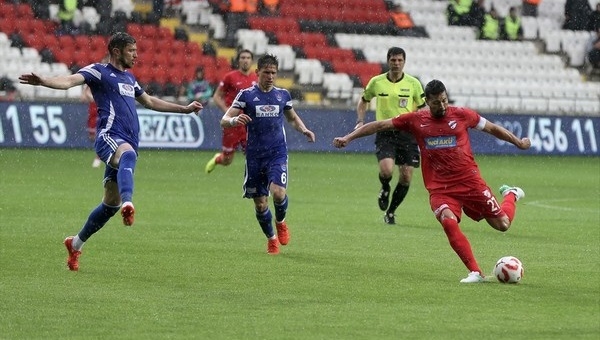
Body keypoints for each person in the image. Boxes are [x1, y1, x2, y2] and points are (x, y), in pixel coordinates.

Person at [18, 32, 203, 271]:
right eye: (131, 51)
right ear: (116, 51)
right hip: (109, 137)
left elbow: (150, 102)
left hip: (127, 140)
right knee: (128, 156)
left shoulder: (130, 78)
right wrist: (44, 81)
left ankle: (75, 244)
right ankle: (129, 203)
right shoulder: (99, 71)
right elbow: (69, 81)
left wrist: (184, 109)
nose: (136, 55)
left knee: (109, 205)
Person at [334, 79, 531, 283]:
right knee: (448, 220)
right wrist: (349, 137)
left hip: (470, 182)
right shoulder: (415, 120)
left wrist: (518, 142)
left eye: (445, 100)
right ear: (427, 101)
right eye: (437, 102)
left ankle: (511, 194)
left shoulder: (462, 114)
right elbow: (380, 125)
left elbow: (492, 128)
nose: (443, 105)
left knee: (502, 225)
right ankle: (475, 272)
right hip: (440, 187)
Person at [219, 54, 315, 255]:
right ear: (258, 73)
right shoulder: (246, 95)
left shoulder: (282, 95)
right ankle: (271, 239)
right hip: (254, 156)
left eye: (273, 73)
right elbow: (224, 119)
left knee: (278, 193)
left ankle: (280, 222)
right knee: (261, 203)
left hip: (277, 153)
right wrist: (234, 122)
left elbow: (292, 118)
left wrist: (304, 129)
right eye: (267, 72)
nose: (271, 76)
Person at [355, 47, 426, 225]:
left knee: (406, 177)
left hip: (408, 134)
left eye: (399, 60)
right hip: (385, 131)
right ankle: (385, 187)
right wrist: (360, 120)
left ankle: (391, 212)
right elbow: (363, 100)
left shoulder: (413, 83)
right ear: (388, 61)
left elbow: (423, 106)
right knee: (386, 170)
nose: (396, 63)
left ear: (404, 62)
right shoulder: (377, 82)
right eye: (393, 60)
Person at [206, 49, 258, 173]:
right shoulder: (230, 77)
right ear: (238, 60)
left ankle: (255, 183)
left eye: (248, 58)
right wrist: (227, 111)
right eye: (243, 58)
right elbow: (217, 96)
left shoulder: (256, 78)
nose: (245, 60)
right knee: (227, 160)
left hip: (248, 124)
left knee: (253, 155)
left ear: (251, 61)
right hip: (232, 124)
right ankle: (218, 159)